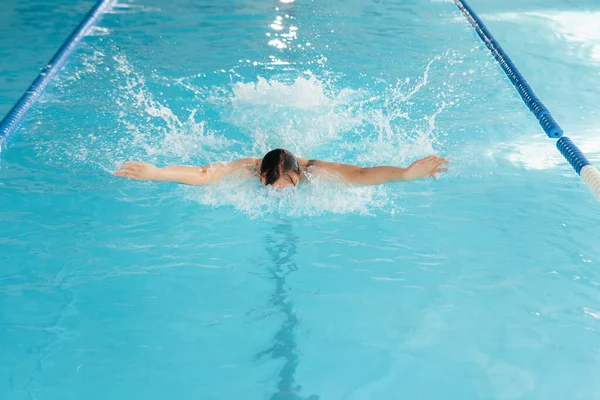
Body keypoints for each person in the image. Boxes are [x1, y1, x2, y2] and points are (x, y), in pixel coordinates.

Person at [113, 148, 449, 189]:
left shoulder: (313, 170)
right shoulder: (250, 167)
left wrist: (406, 174)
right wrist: (156, 172)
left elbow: (361, 174)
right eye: (270, 184)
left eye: (287, 182)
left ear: (297, 174)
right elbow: (205, 174)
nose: (279, 192)